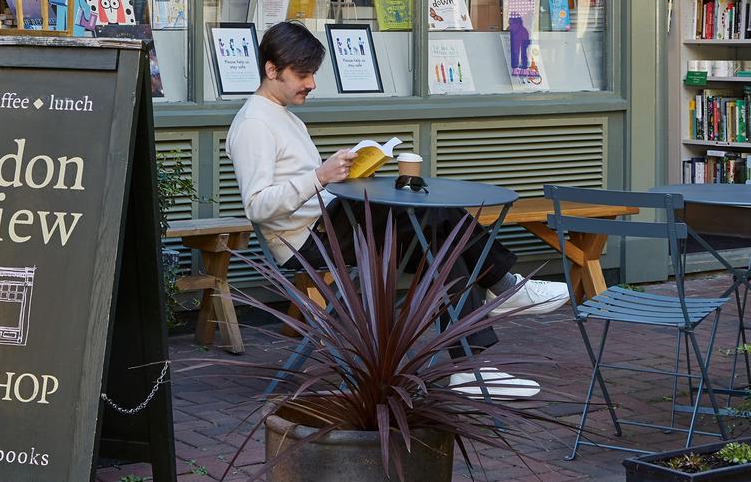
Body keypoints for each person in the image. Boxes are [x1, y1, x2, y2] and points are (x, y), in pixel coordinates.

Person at [226, 21, 569, 396]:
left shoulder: (283, 116)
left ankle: (471, 365)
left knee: (442, 237)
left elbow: (301, 185)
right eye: (302, 74)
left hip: (329, 222)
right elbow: (257, 206)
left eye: (313, 74)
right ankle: (499, 298)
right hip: (308, 240)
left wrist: (346, 173)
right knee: (436, 220)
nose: (311, 84)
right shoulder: (254, 124)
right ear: (271, 70)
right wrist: (321, 177)